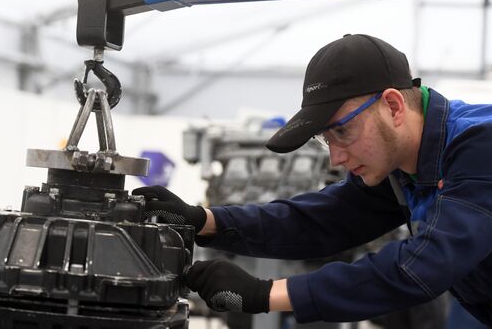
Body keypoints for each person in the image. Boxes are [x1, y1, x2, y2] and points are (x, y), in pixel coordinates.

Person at [133, 34, 492, 326]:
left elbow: (424, 265)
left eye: (343, 131)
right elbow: (326, 219)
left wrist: (265, 294)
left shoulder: (480, 146)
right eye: (326, 139)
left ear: (394, 106)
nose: (336, 157)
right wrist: (206, 221)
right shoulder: (403, 163)